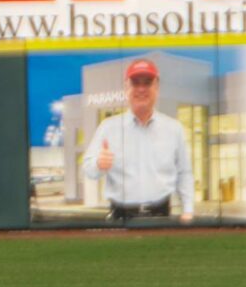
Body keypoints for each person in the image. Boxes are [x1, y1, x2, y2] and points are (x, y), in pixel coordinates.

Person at [81, 59, 194, 223]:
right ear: (126, 87)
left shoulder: (174, 129)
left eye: (147, 83)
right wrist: (99, 164)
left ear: (157, 87)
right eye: (135, 83)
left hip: (161, 217)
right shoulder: (108, 128)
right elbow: (88, 168)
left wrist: (188, 211)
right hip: (120, 220)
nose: (141, 89)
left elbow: (184, 173)